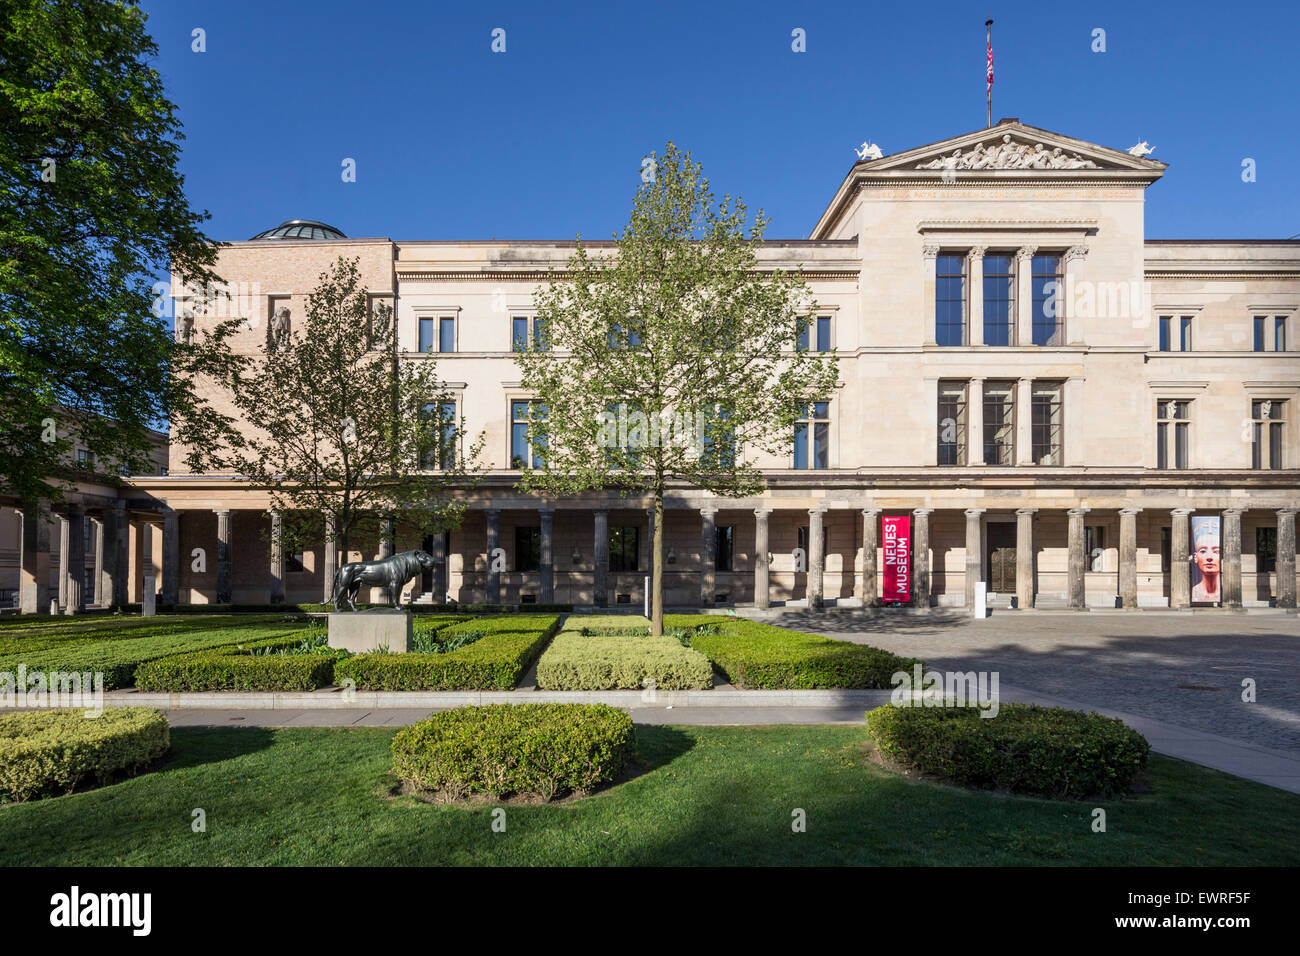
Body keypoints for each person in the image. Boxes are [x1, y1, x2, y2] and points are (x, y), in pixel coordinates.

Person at [1190, 516, 1221, 603]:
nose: (1209, 557)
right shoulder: (1194, 591)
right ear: (1196, 557)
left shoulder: (1225, 592)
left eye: (1216, 551)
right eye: (1203, 551)